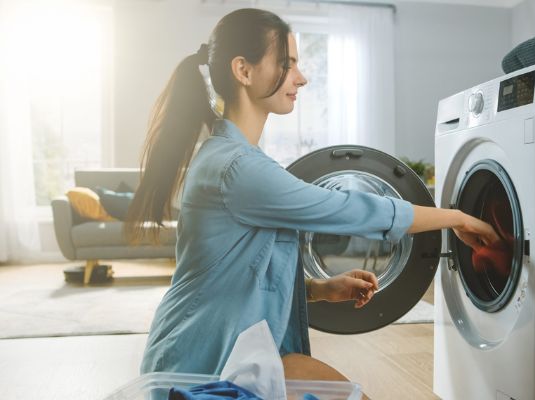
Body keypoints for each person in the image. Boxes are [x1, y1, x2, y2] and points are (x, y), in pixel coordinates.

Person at [126, 8, 499, 375]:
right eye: (287, 64)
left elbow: (241, 274)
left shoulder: (233, 159)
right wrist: (455, 217)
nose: (301, 78)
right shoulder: (238, 169)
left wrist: (318, 289)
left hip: (222, 350)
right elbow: (348, 210)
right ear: (243, 70)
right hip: (200, 364)